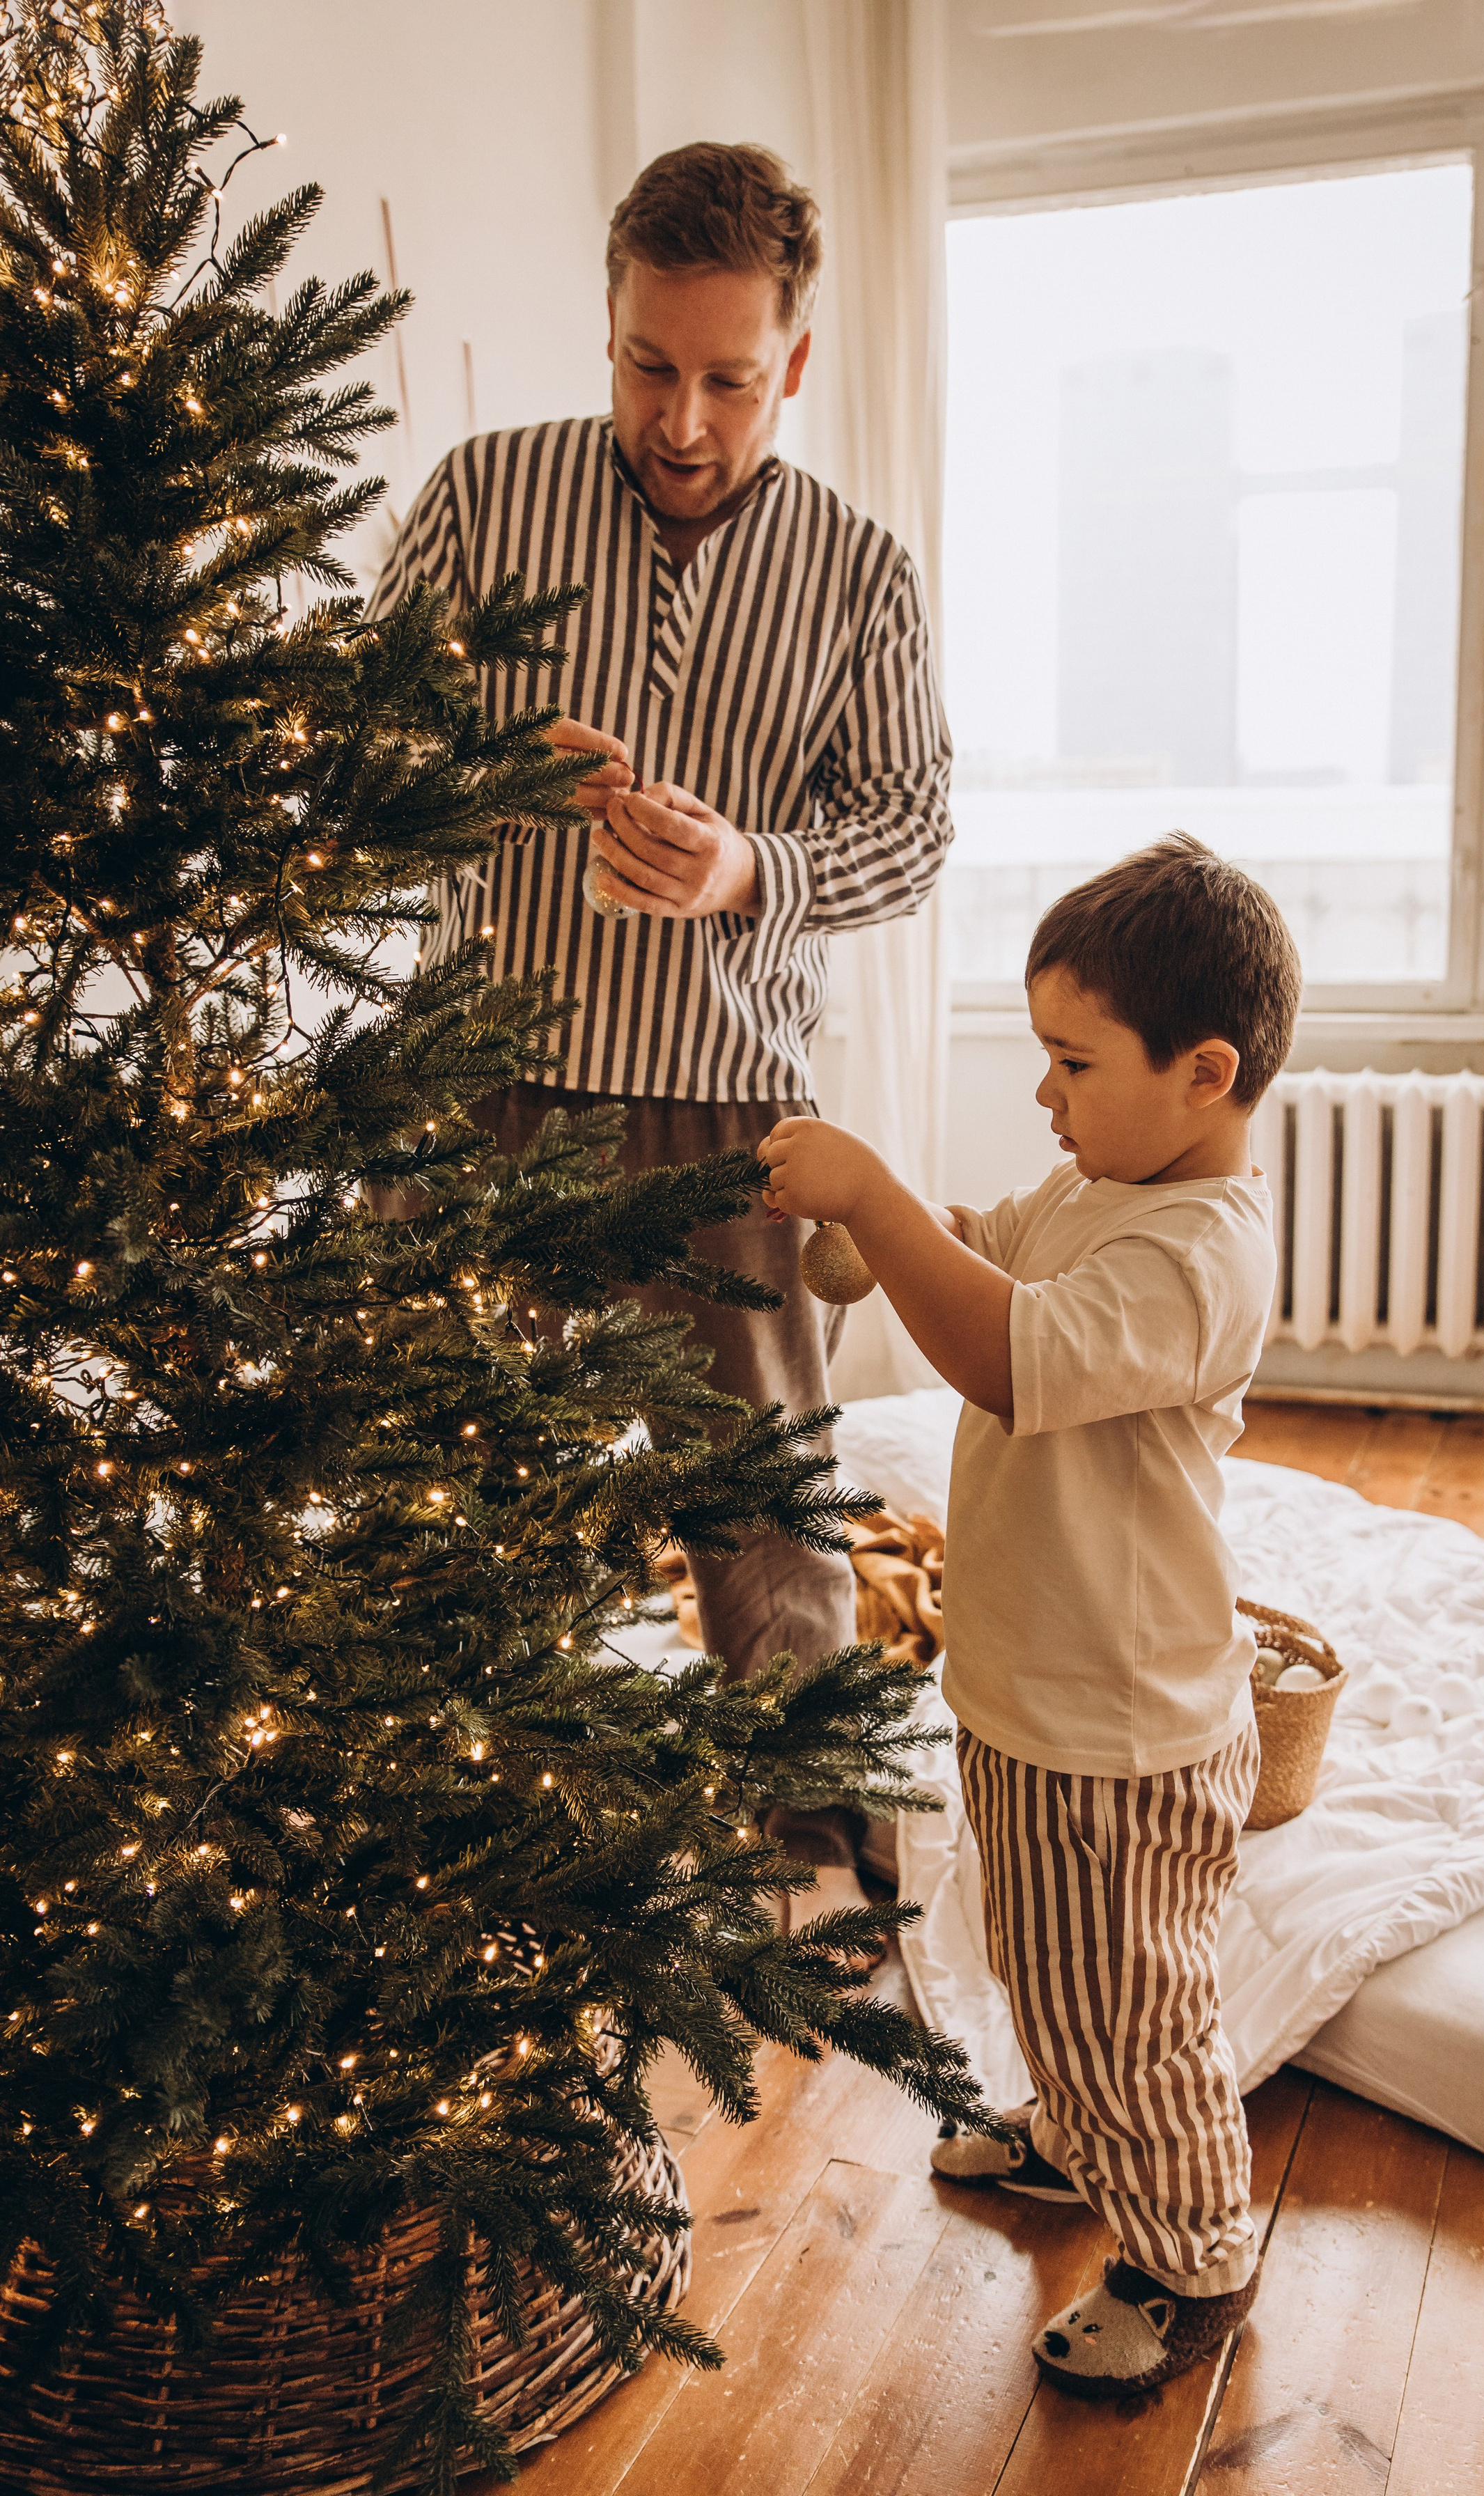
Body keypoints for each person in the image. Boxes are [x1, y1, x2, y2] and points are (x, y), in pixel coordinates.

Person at [372, 143, 952, 1861]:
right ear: (607, 323)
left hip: (728, 1117)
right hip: (481, 1092)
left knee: (762, 1508)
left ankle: (808, 1852)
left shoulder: (861, 574)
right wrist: (479, 768)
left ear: (791, 359)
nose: (681, 419)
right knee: (454, 1481)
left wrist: (748, 870)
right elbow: (347, 737)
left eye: (724, 377)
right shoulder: (483, 501)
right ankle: (460, 1818)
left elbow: (910, 833)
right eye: (645, 365)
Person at [758, 835, 1302, 2397]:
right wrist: (892, 1228)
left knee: (1136, 2011)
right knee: (1059, 1973)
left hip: (1117, 1727)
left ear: (1205, 1071)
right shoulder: (1098, 1184)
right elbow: (990, 1249)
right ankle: (1077, 2128)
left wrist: (870, 1188)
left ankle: (1190, 2253)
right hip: (1032, 1692)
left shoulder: (1200, 1253)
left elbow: (1009, 1352)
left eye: (1071, 1061)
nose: (1047, 1097)